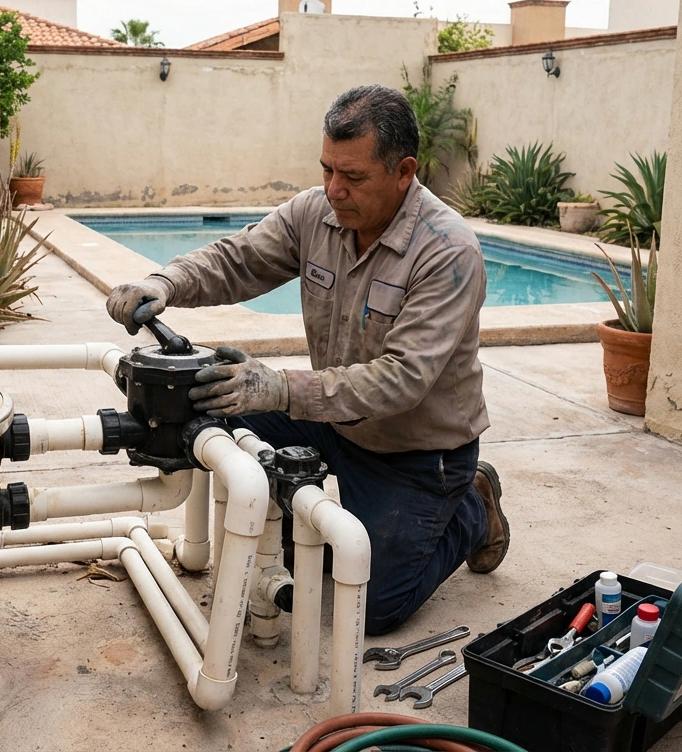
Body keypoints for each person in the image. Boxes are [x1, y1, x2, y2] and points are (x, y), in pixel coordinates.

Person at [105, 85, 509, 635]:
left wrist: (280, 388)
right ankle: (286, 519)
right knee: (207, 403)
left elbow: (401, 380)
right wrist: (165, 281)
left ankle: (473, 509)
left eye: (353, 177)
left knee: (372, 608)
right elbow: (239, 259)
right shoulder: (315, 213)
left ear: (404, 171)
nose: (334, 190)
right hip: (330, 421)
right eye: (326, 170)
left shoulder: (448, 251)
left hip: (415, 449)